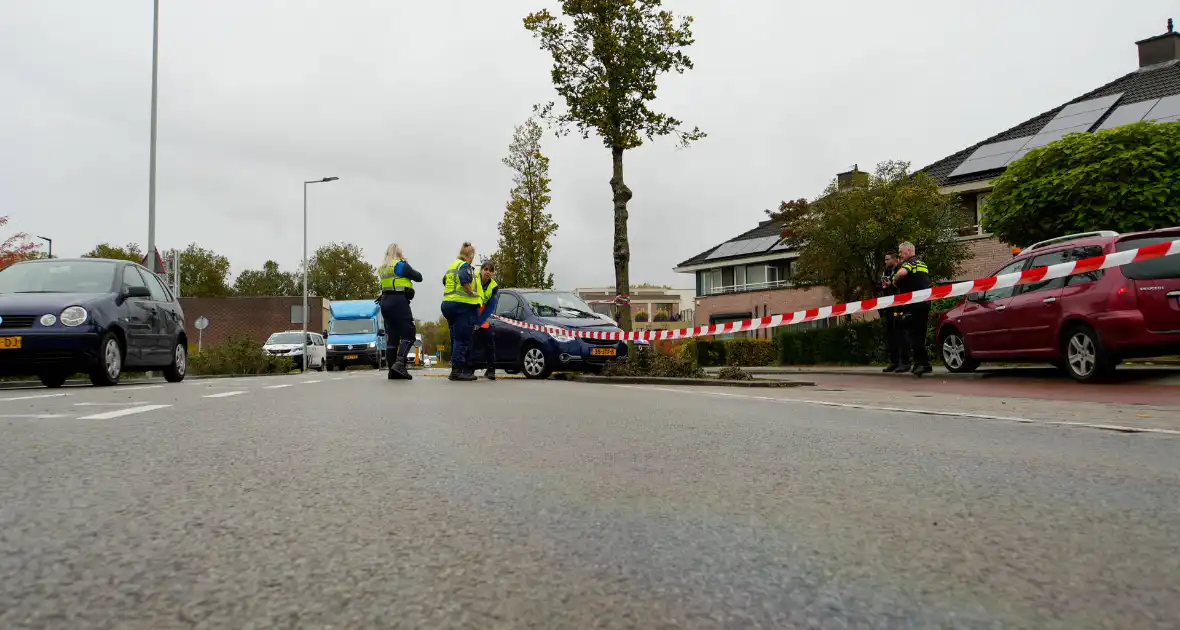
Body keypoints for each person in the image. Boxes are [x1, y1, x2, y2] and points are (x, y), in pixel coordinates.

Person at [377, 243, 423, 380]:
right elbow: (419, 277)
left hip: (385, 301)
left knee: (392, 338)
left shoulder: (382, 268)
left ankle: (392, 371)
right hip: (399, 301)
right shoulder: (400, 265)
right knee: (409, 333)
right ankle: (400, 364)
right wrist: (405, 262)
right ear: (398, 253)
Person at [440, 242, 481, 382]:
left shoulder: (452, 265)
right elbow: (465, 280)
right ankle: (457, 371)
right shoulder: (464, 266)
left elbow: (445, 281)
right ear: (469, 255)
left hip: (448, 304)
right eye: (472, 256)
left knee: (455, 338)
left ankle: (456, 368)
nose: (472, 259)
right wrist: (472, 293)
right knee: (462, 339)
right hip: (461, 306)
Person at [892, 240, 933, 375]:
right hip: (924, 303)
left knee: (912, 335)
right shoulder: (922, 264)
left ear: (909, 251)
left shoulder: (910, 262)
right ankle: (921, 363)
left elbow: (902, 273)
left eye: (900, 251)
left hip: (914, 305)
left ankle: (921, 364)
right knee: (919, 334)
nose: (899, 255)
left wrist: (895, 282)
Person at [878, 252, 907, 373]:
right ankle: (894, 361)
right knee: (890, 333)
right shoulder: (886, 272)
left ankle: (904, 362)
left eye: (887, 259)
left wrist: (892, 286)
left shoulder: (901, 271)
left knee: (900, 333)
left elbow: (902, 288)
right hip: (889, 306)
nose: (885, 262)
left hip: (900, 306)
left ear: (894, 259)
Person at [474, 260, 500, 380]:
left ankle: (491, 370)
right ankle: (468, 368)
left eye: (491, 270)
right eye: (486, 269)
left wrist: (479, 323)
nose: (488, 272)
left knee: (489, 341)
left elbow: (490, 306)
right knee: (470, 343)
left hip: (483, 318)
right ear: (481, 270)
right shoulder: (474, 279)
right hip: (470, 315)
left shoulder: (494, 286)